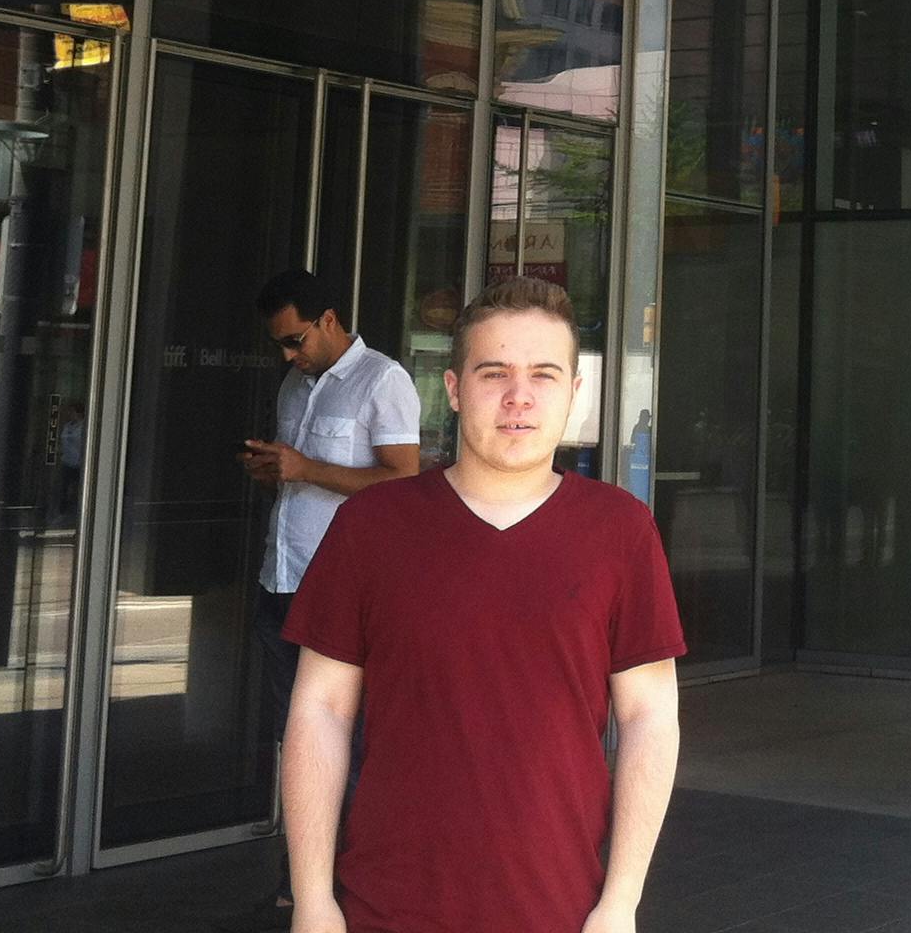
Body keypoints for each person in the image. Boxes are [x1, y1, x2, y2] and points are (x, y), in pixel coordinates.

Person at [281, 275, 684, 933]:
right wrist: (313, 899)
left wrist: (621, 903)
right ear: (454, 390)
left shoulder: (620, 531)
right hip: (387, 905)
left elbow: (649, 720)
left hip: (560, 907)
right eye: (494, 372)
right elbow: (320, 710)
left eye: (545, 375)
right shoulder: (372, 526)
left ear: (575, 393)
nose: (519, 397)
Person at [236, 269, 421, 928]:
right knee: (297, 745)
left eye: (295, 339)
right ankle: (302, 887)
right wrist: (274, 472)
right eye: (280, 345)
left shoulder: (383, 380)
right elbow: (300, 485)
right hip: (281, 584)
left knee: (352, 743)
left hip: (346, 598)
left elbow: (404, 484)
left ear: (330, 319)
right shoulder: (296, 385)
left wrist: (305, 468)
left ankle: (358, 886)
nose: (289, 355)